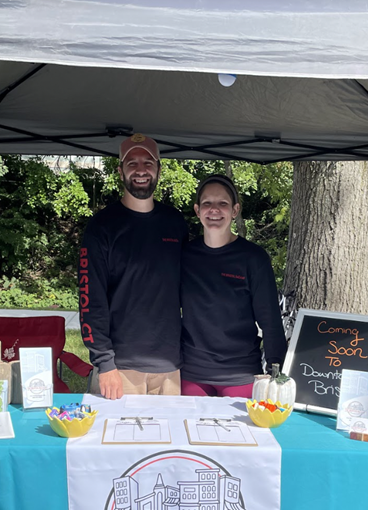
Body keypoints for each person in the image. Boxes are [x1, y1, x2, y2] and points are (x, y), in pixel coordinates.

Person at [79, 134, 189, 399]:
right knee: (119, 441)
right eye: (132, 163)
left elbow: (190, 290)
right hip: (120, 368)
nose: (141, 170)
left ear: (159, 169)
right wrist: (104, 363)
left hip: (170, 365)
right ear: (120, 171)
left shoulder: (176, 223)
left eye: (148, 162)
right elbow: (89, 300)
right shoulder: (101, 228)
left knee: (170, 441)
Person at [181, 174, 287, 397]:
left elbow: (270, 321)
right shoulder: (184, 255)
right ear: (197, 210)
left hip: (240, 374)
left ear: (235, 210)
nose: (214, 210)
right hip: (191, 373)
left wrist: (275, 370)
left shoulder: (253, 258)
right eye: (207, 203)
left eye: (223, 204)